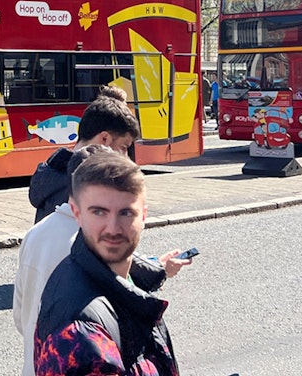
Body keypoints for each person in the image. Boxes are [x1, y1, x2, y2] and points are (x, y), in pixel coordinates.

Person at [15, 145, 190, 376]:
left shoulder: (113, 282)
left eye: (126, 213)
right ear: (77, 214)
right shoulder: (80, 333)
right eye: (99, 212)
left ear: (144, 216)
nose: (113, 228)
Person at [29, 86, 140, 222]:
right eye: (123, 147)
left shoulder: (53, 172)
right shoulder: (88, 186)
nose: (125, 156)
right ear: (104, 139)